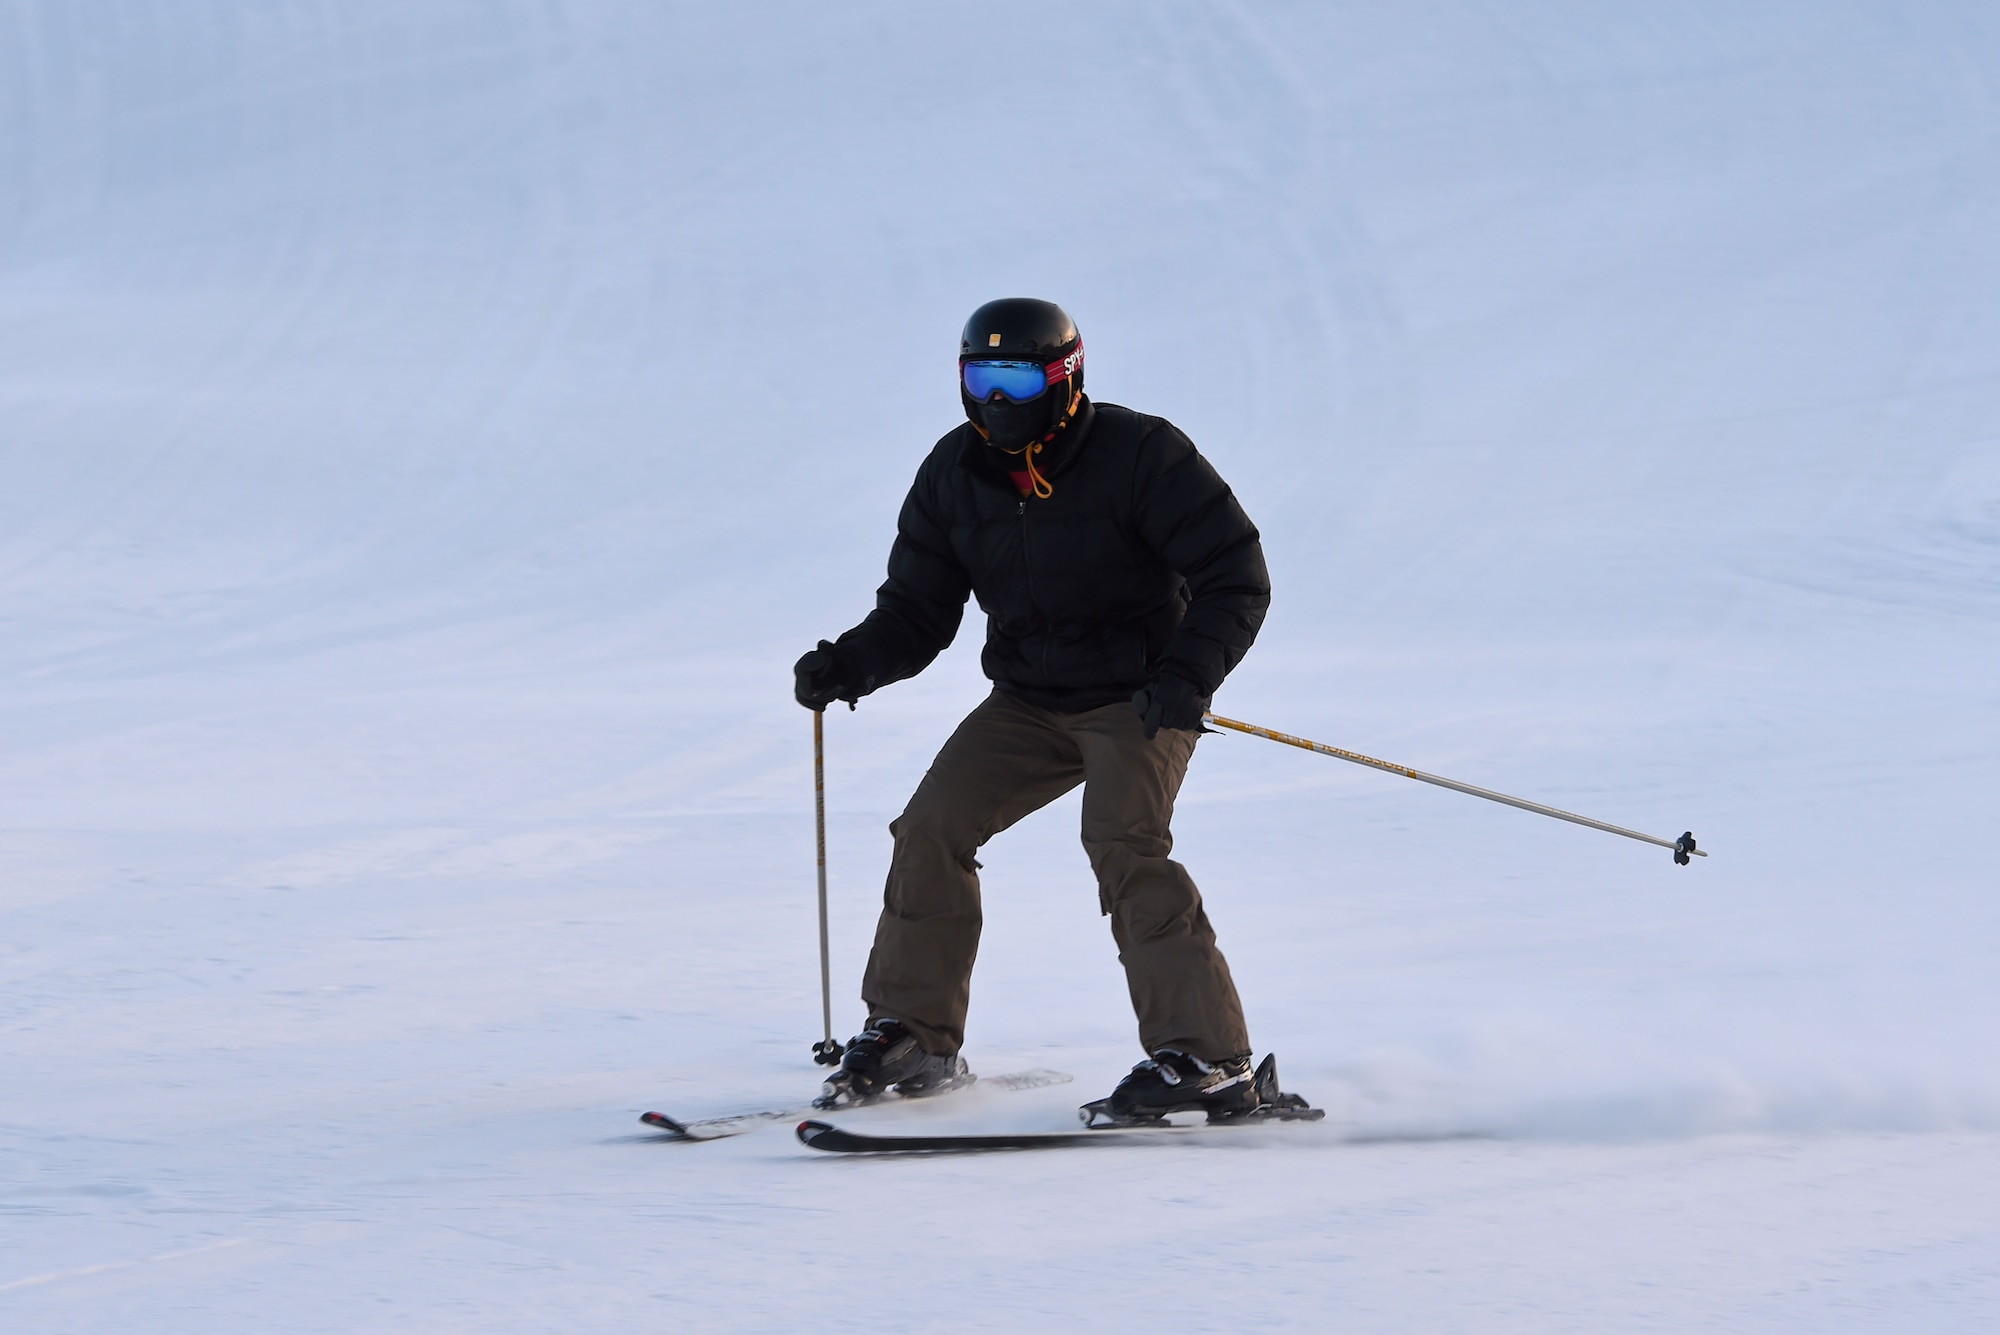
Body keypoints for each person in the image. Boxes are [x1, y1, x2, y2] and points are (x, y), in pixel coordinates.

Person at [793, 298, 1271, 1120]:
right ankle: (915, 1033)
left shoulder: (1141, 454)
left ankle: (1206, 1056)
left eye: (1015, 377)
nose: (997, 399)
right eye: (981, 376)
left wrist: (1188, 675)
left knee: (1123, 842)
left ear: (1065, 378)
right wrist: (850, 663)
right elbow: (917, 612)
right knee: (930, 829)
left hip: (1141, 696)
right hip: (1026, 700)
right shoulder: (954, 472)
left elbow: (1236, 573)